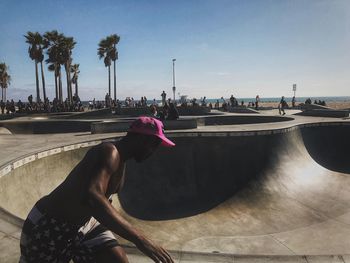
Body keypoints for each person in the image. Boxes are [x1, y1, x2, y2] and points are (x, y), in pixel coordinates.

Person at [20, 117, 175, 263]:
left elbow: (102, 201)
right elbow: (93, 196)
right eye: (154, 144)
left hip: (84, 225)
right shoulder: (109, 152)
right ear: (142, 139)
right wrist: (140, 239)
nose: (154, 150)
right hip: (49, 224)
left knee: (116, 259)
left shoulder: (122, 161)